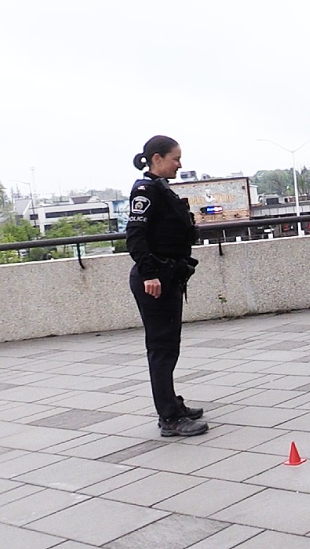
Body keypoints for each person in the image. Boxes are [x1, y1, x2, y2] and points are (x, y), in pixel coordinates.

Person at [127, 135, 208, 437]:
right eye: (175, 158)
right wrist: (150, 275)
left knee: (169, 347)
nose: (180, 164)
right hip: (154, 281)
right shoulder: (146, 191)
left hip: (167, 277)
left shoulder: (161, 190)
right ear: (157, 158)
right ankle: (170, 418)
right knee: (161, 349)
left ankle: (172, 403)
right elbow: (135, 236)